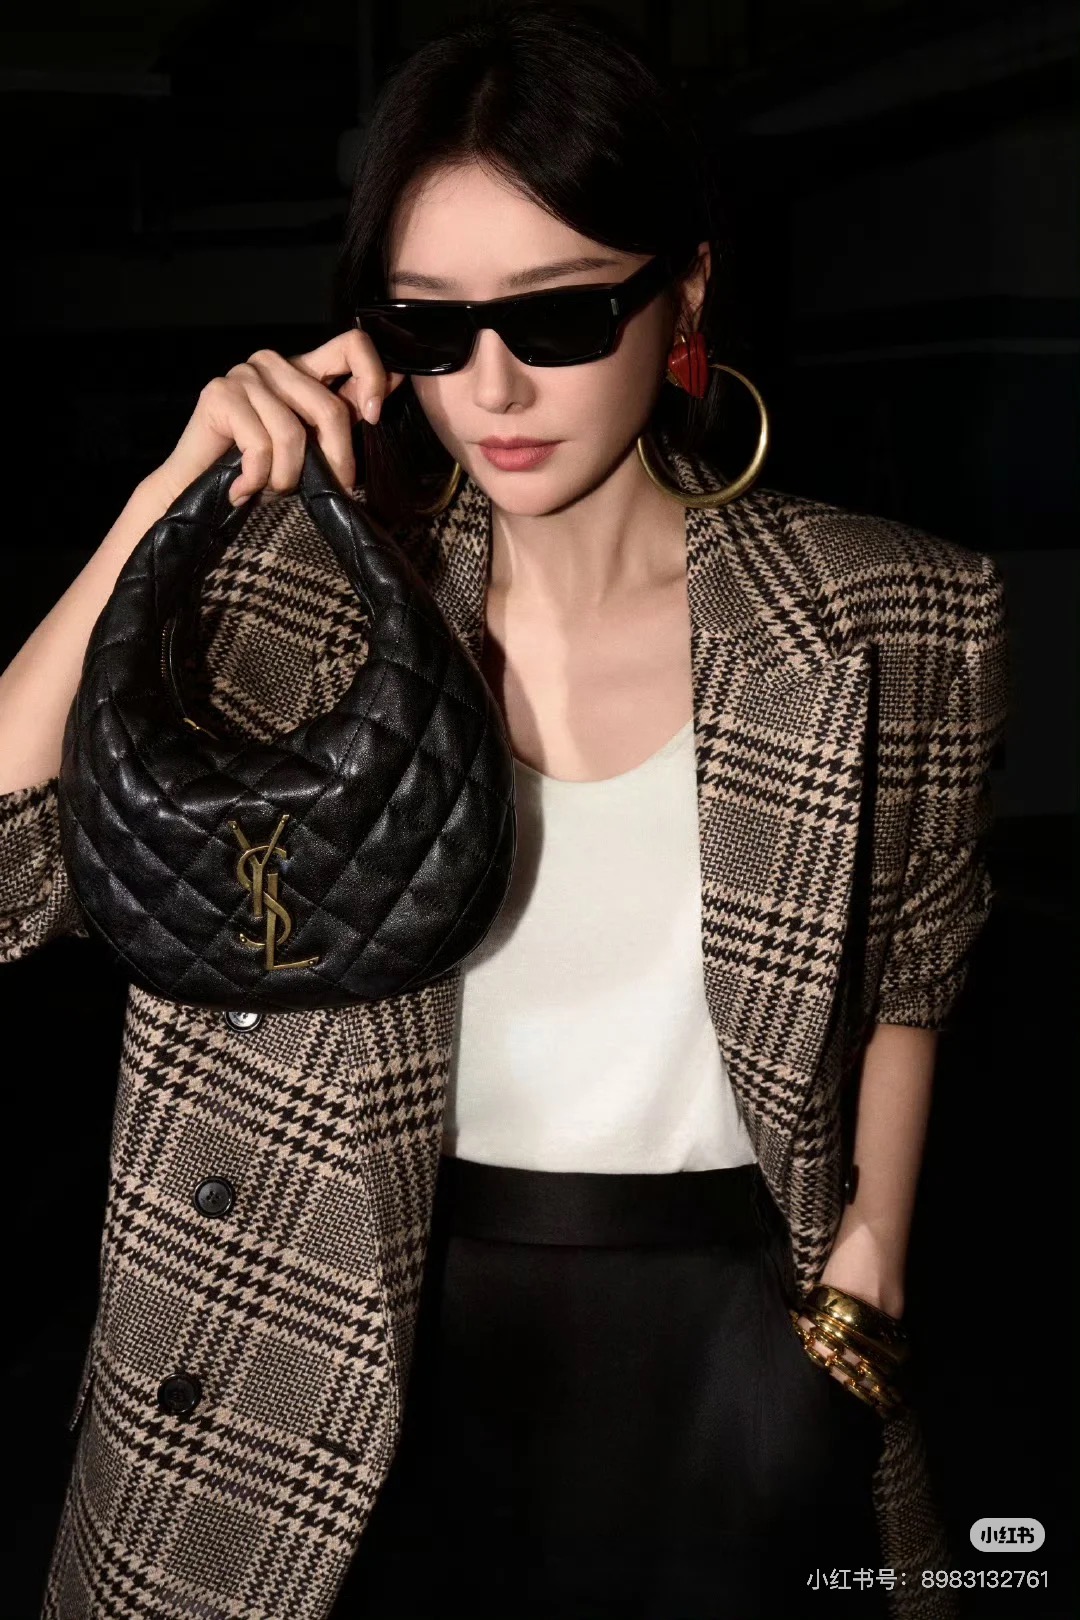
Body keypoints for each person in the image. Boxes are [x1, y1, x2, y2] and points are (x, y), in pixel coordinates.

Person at [0, 5, 1007, 1619]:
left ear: (684, 293)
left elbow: (913, 968)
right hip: (319, 1332)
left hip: (723, 1349)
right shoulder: (283, 609)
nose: (492, 385)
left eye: (559, 315)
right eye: (431, 327)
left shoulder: (895, 612)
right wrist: (161, 505)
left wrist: (870, 1256)